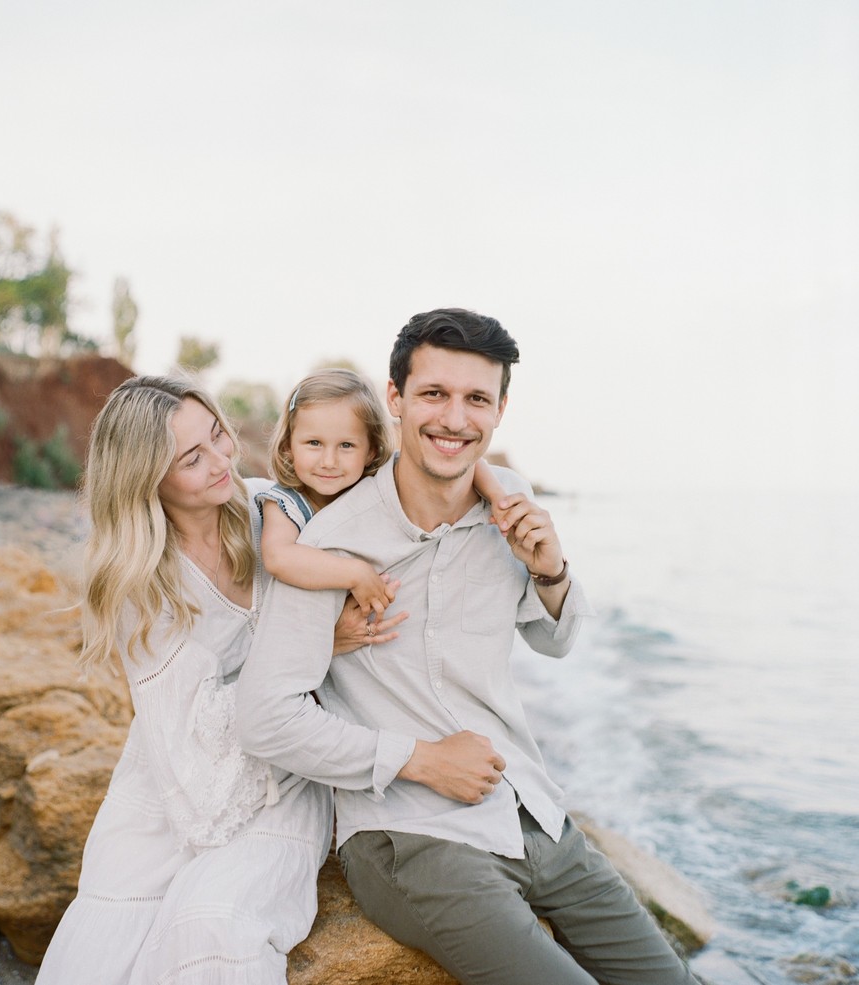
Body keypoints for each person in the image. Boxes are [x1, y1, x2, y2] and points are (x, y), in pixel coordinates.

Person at [237, 309, 701, 985]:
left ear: (500, 409)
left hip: (532, 814)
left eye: (476, 398)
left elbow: (558, 641)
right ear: (394, 399)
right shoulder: (332, 545)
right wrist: (420, 759)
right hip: (412, 835)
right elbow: (265, 716)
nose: (455, 418)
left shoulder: (508, 501)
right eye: (434, 394)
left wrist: (551, 569)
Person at [35, 374, 403, 985]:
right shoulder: (141, 583)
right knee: (104, 952)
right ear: (145, 477)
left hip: (278, 776)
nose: (219, 462)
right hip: (174, 773)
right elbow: (190, 734)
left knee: (214, 922)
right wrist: (314, 649)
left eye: (217, 437)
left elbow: (384, 499)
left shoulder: (266, 512)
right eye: (191, 458)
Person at [258, 366, 510, 621]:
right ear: (288, 445)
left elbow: (469, 465)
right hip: (299, 624)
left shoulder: (378, 485)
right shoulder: (285, 503)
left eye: (346, 445)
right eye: (314, 443)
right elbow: (278, 558)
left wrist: (498, 498)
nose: (329, 461)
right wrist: (356, 574)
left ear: (371, 450)